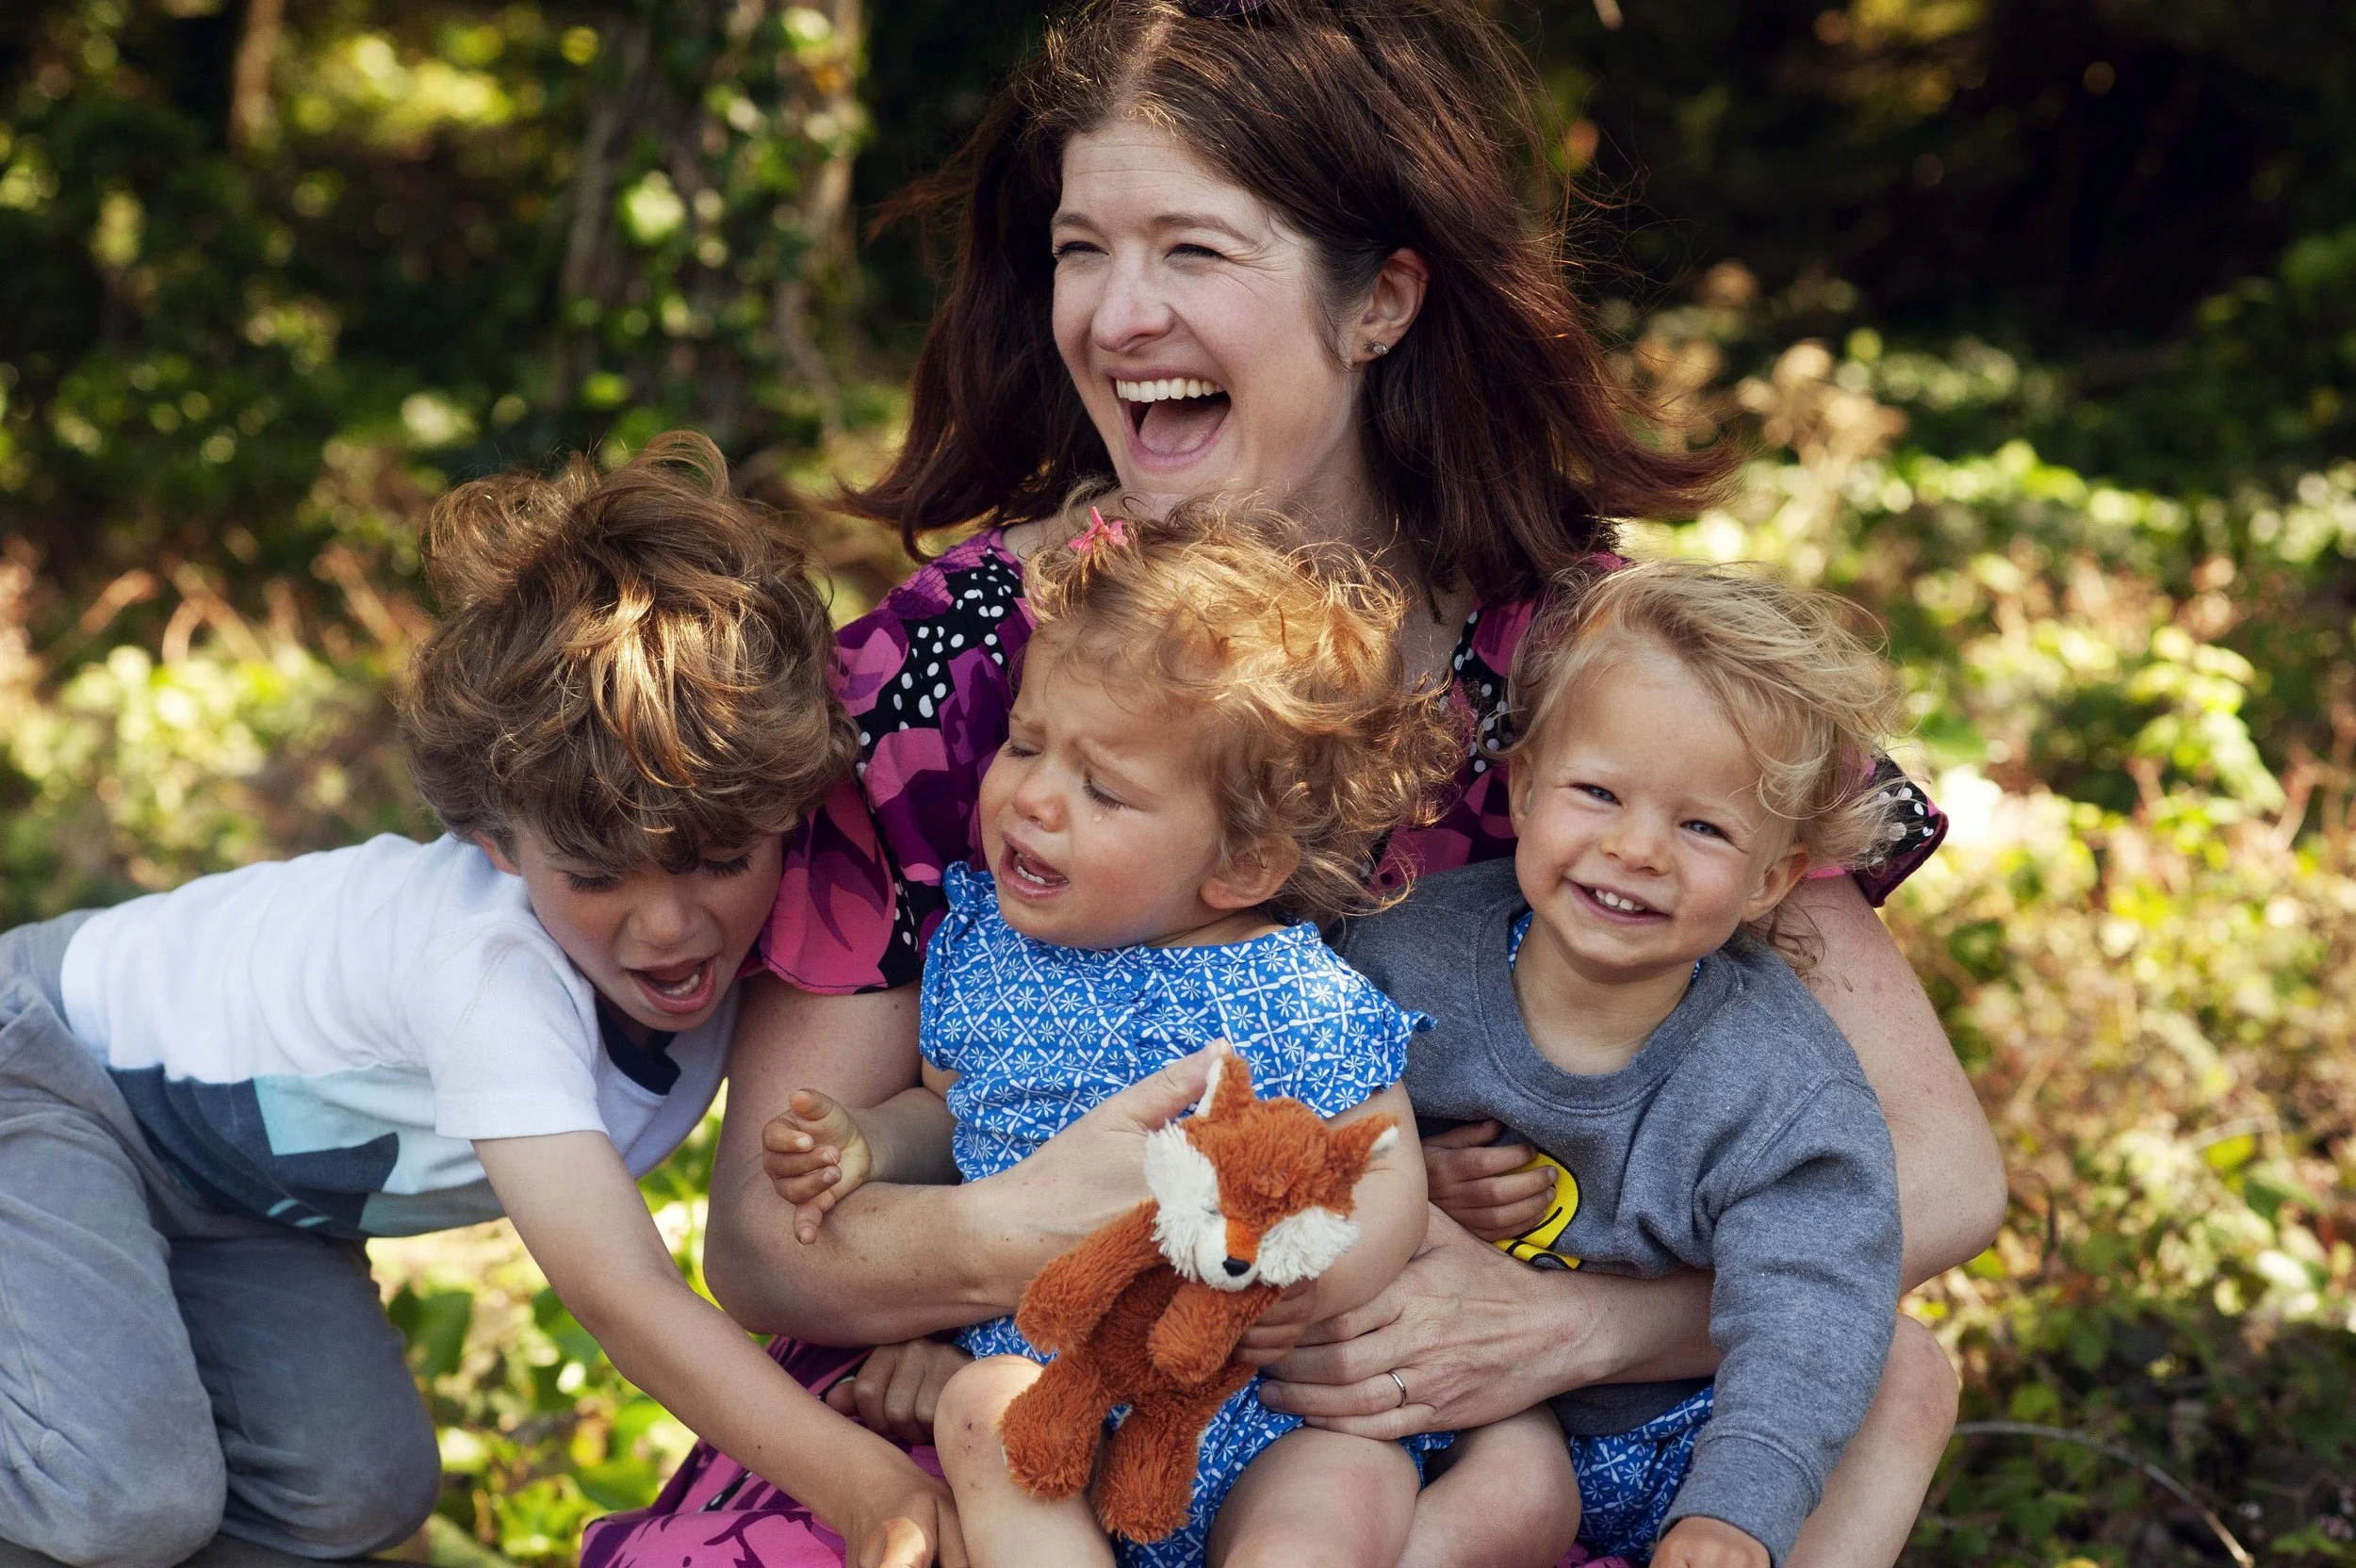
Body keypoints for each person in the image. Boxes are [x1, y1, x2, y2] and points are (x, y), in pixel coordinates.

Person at [616, 3, 2001, 1564]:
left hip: (1425, 1428)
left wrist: (1576, 1326)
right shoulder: (945, 675)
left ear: (1380, 301)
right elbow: (764, 1241)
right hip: (1001, 1386)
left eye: (1194, 251)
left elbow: (1938, 1170)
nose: (1119, 313)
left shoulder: (1602, 663)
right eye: (1084, 249)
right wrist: (1030, 1225)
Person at [0, 434, 961, 1568]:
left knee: (357, 1494)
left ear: (786, 807)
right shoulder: (487, 969)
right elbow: (619, 1291)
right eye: (598, 875)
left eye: (711, 858)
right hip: (50, 1075)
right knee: (121, 1497)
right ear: (496, 841)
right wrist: (866, 1484)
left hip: (242, 1198)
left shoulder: (784, 920)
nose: (667, 927)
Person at [768, 503, 1520, 1566]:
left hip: (1266, 1397)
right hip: (1063, 1384)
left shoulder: (1288, 988)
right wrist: (866, 1144)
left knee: (1345, 1478)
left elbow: (1384, 1166)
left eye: (1103, 788)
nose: (1033, 797)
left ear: (1242, 864)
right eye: (1026, 743)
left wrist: (1308, 1288)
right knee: (982, 1407)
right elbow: (947, 1112)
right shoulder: (984, 949)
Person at [1343, 561, 1922, 1568]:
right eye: (1598, 792)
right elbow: (1277, 1117)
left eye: (1701, 825)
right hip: (1426, 1409)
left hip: (1663, 1439)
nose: (1637, 847)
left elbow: (1810, 1304)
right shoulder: (1397, 954)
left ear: (1772, 876)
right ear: (1524, 786)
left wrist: (1730, 1512)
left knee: (1898, 1371)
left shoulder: (1779, 1082)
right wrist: (1398, 1180)